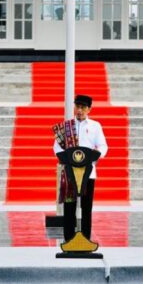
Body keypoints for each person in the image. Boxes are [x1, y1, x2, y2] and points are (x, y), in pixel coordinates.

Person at [53, 94, 108, 242]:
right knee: (69, 207)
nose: (79, 110)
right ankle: (69, 239)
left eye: (83, 107)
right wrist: (65, 160)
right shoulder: (66, 126)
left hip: (88, 174)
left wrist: (94, 157)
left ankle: (85, 239)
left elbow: (103, 146)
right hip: (70, 173)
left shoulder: (95, 126)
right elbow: (57, 147)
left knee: (86, 208)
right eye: (77, 106)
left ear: (89, 109)